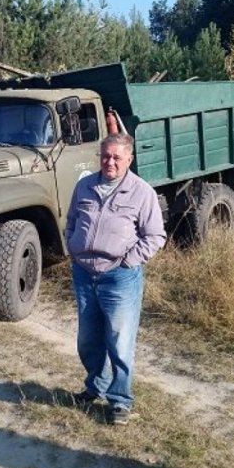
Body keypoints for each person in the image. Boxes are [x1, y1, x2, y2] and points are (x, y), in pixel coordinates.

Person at [65, 132, 166, 425]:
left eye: (116, 157)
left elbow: (156, 236)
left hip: (118, 277)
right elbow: (71, 220)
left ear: (129, 160)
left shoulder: (141, 192)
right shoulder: (84, 185)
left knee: (120, 341)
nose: (109, 162)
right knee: (88, 339)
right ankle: (96, 385)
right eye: (105, 156)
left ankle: (119, 401)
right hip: (84, 273)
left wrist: (127, 261)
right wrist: (72, 246)